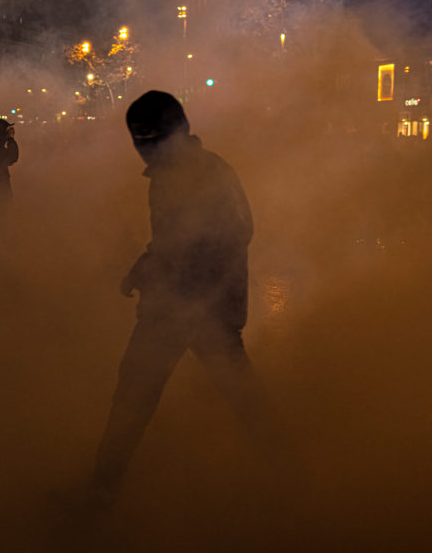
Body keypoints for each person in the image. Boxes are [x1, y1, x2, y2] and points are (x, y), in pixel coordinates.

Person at [91, 90, 292, 505]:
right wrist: (146, 267)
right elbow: (171, 241)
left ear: (178, 130)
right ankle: (296, 481)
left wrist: (182, 281)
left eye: (151, 137)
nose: (145, 148)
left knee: (144, 395)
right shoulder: (172, 175)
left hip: (199, 310)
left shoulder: (205, 174)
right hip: (183, 308)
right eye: (139, 139)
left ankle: (297, 482)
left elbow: (235, 232)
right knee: (139, 393)